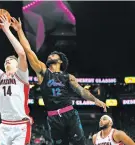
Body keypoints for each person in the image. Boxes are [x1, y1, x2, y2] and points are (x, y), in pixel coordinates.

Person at [11, 17, 108, 145]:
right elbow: (28, 51)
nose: (50, 55)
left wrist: (96, 100)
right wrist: (19, 31)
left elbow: (81, 91)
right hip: (53, 118)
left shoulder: (68, 77)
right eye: (50, 54)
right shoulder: (43, 72)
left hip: (69, 114)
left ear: (60, 61)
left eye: (54, 55)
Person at [0, 14, 31, 145]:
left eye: (10, 60)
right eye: (5, 61)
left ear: (17, 65)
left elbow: (21, 53)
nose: (7, 61)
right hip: (5, 124)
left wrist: (6, 30)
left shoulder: (21, 76)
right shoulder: (0, 77)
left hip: (21, 124)